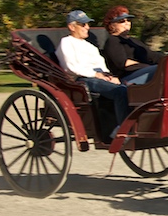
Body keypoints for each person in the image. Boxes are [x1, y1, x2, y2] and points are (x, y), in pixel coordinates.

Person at [55, 10, 129, 141]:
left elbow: (101, 65)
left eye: (87, 24)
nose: (87, 27)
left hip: (98, 77)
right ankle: (122, 130)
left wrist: (109, 76)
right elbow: (72, 67)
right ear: (72, 27)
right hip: (82, 80)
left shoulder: (90, 46)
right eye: (82, 24)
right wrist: (96, 75)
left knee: (132, 90)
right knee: (120, 91)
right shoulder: (66, 43)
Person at [102, 5, 162, 85]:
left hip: (148, 70)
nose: (127, 23)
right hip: (128, 76)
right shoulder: (113, 41)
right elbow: (122, 63)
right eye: (122, 21)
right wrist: (146, 66)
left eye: (128, 20)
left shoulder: (134, 41)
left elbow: (152, 56)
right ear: (112, 25)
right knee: (160, 71)